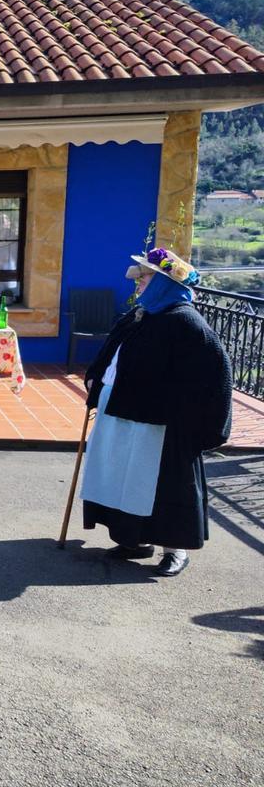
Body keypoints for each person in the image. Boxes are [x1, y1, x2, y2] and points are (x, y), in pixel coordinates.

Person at [80, 247, 232, 577]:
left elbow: (217, 373)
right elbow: (112, 352)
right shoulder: (140, 316)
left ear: (164, 284)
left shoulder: (186, 324)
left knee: (164, 486)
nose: (138, 285)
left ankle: (175, 550)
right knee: (126, 479)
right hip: (123, 414)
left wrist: (205, 426)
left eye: (145, 279)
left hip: (162, 426)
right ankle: (134, 539)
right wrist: (94, 377)